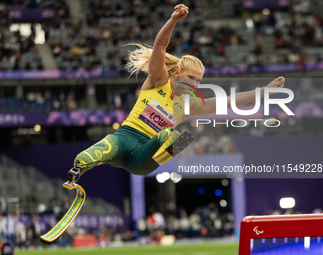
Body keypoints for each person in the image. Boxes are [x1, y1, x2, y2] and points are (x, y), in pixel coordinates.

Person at [67, 4, 285, 182]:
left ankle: (168, 151)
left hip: (145, 157)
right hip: (125, 138)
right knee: (100, 150)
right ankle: (75, 173)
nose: (195, 84)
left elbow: (227, 102)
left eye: (199, 81)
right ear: (177, 73)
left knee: (173, 137)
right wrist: (173, 21)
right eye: (192, 78)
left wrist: (263, 91)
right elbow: (160, 48)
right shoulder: (157, 80)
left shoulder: (187, 106)